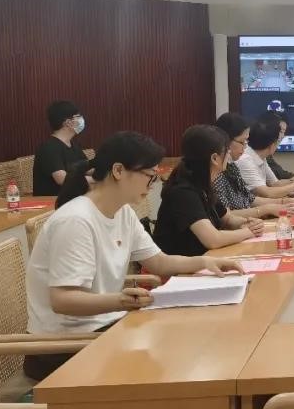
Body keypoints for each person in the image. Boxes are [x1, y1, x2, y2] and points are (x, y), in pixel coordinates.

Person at [25, 132, 243, 380]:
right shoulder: (76, 221)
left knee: (189, 339)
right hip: (65, 347)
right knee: (176, 357)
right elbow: (63, 300)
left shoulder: (123, 212)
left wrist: (205, 262)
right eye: (150, 176)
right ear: (118, 170)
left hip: (105, 328)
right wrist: (120, 301)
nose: (152, 185)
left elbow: (159, 262)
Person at [153, 125, 267, 256]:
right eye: (227, 151)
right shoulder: (182, 191)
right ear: (214, 158)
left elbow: (227, 219)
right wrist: (248, 232)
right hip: (181, 266)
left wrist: (247, 223)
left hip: (204, 259)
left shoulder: (202, 183)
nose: (229, 154)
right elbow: (212, 240)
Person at [213, 113, 294, 215]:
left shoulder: (232, 166)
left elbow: (249, 199)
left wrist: (284, 202)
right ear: (225, 141)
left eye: (246, 141)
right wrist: (266, 209)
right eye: (242, 142)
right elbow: (226, 216)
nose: (245, 147)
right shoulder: (218, 173)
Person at [235, 118, 294, 199]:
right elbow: (268, 193)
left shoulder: (260, 156)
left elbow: (275, 184)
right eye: (278, 141)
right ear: (272, 145)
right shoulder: (245, 159)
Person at [33, 100, 88, 196]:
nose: (81, 119)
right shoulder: (49, 148)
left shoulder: (74, 145)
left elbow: (87, 168)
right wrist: (92, 180)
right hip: (53, 201)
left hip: (74, 198)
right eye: (78, 116)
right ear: (68, 122)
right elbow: (62, 179)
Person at [258, 110, 294, 185]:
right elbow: (263, 190)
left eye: (283, 132)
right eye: (280, 132)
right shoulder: (248, 157)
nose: (282, 136)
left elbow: (275, 183)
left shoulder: (264, 157)